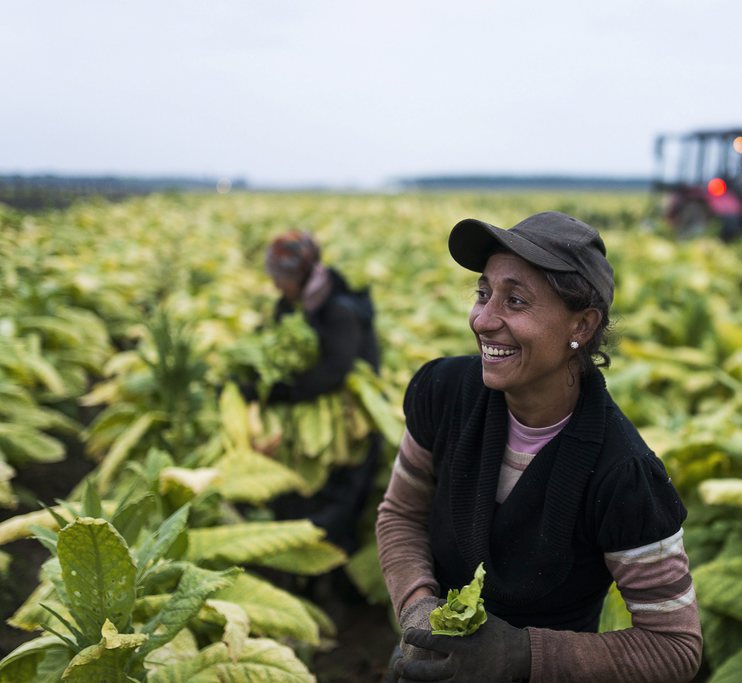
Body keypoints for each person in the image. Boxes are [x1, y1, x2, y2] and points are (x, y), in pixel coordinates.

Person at [376, 211, 702, 682]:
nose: (484, 320)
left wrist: (521, 654)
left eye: (516, 301)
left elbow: (674, 646)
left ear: (583, 325)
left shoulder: (623, 474)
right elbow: (401, 514)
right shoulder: (443, 393)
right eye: (483, 294)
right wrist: (418, 610)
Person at [261, 230, 381, 557]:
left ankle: (335, 580)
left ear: (299, 274)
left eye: (280, 278)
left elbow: (333, 372)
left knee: (338, 508)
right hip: (309, 414)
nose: (275, 286)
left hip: (350, 417)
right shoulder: (289, 305)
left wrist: (280, 391)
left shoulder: (339, 309)